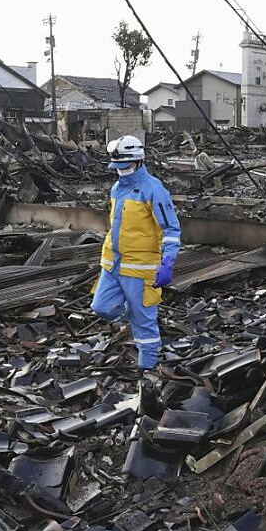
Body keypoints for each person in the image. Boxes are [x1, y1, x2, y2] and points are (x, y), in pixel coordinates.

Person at [90, 136, 181, 371]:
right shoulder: (116, 189)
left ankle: (147, 371)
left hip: (140, 269)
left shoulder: (154, 190)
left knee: (144, 325)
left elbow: (171, 229)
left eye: (126, 166)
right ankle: (132, 314)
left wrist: (168, 262)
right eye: (118, 167)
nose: (122, 171)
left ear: (139, 162)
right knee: (101, 306)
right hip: (112, 264)